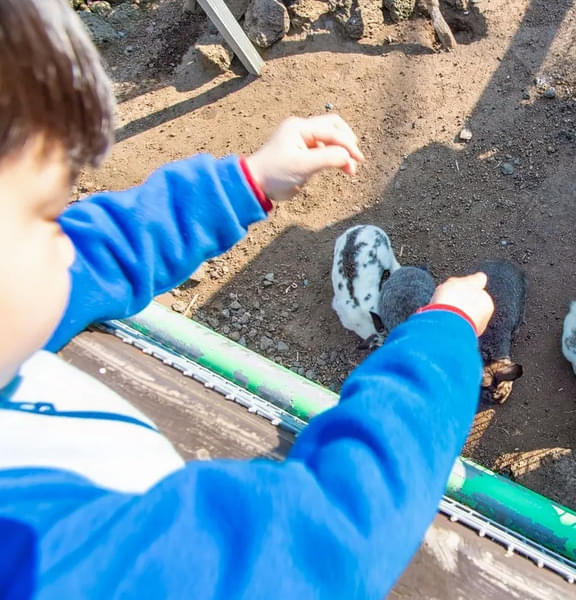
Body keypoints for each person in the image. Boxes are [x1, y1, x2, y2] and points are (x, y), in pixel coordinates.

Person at [0, 1, 493, 598]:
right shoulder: (61, 567)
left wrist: (245, 182)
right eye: (47, 216)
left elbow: (93, 255)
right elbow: (331, 534)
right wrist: (442, 337)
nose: (67, 239)